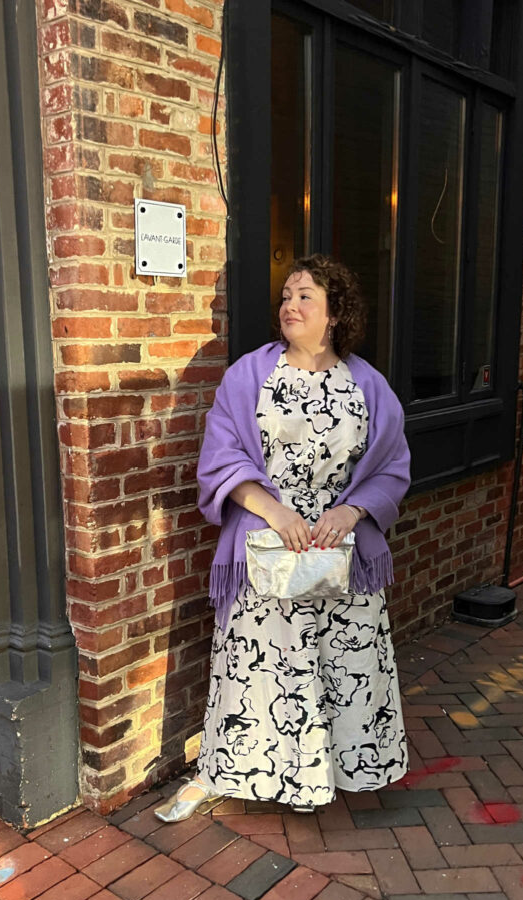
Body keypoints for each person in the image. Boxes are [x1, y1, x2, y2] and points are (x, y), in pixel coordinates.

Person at [155, 254, 411, 822]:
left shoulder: (368, 384)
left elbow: (393, 466)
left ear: (335, 314)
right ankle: (239, 772)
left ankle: (338, 771)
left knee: (342, 665)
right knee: (261, 667)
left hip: (340, 555)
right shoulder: (250, 374)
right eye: (286, 297)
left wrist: (352, 511)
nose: (289, 306)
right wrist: (274, 511)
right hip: (268, 550)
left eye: (305, 297)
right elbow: (220, 458)